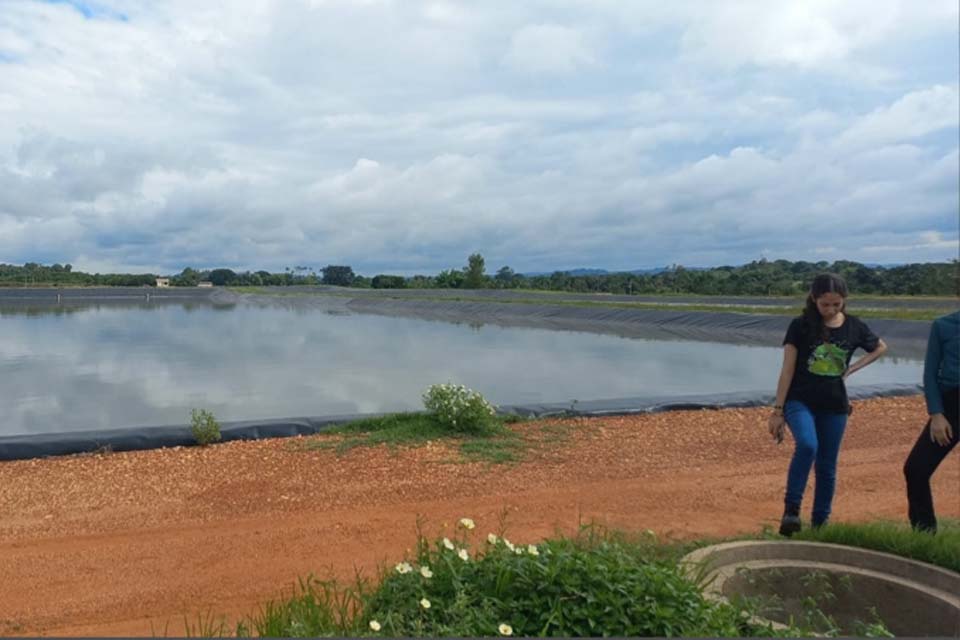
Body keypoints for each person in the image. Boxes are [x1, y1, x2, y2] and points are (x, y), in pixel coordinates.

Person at [767, 273, 888, 536]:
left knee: (827, 465)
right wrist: (777, 411)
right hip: (799, 400)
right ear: (814, 299)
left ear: (844, 300)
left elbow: (880, 347)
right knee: (808, 445)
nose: (831, 309)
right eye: (825, 304)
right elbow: (787, 369)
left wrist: (852, 368)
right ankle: (791, 511)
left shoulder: (854, 326)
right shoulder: (800, 326)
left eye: (837, 304)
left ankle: (820, 525)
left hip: (834, 405)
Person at [903, 310, 959, 533]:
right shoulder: (943, 325)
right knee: (915, 469)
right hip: (950, 408)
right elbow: (930, 373)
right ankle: (924, 533)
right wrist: (936, 413)